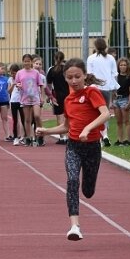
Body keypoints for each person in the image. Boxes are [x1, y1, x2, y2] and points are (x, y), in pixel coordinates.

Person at [36, 58, 110, 241]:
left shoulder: (92, 92)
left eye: (77, 76)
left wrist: (88, 128)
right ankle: (74, 226)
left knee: (88, 191)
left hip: (92, 147)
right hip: (73, 147)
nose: (74, 81)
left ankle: (88, 187)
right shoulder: (68, 100)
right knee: (72, 181)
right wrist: (47, 131)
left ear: (85, 75)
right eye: (70, 77)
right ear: (65, 78)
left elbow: (106, 113)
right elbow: (67, 127)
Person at [86, 38, 119, 146]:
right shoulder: (110, 58)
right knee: (105, 112)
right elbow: (114, 74)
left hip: (95, 88)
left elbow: (89, 75)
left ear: (95, 47)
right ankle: (105, 135)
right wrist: (114, 89)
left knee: (95, 113)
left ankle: (98, 136)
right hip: (107, 88)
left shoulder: (91, 58)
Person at [15, 53, 44, 147]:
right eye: (25, 61)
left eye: (28, 61)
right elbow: (17, 84)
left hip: (35, 98)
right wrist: (18, 86)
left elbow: (41, 85)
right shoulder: (19, 73)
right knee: (27, 119)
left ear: (31, 62)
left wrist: (42, 97)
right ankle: (28, 137)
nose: (27, 63)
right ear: (23, 62)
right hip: (25, 98)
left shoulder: (36, 73)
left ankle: (40, 135)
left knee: (37, 116)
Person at [46, 51, 69, 145]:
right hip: (68, 95)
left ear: (54, 59)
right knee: (67, 116)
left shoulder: (52, 70)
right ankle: (67, 136)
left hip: (57, 95)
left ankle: (62, 137)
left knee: (59, 116)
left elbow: (49, 84)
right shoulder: (67, 69)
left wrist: (49, 96)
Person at [113, 57, 130, 145]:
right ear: (118, 66)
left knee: (127, 121)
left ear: (127, 66)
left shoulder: (129, 77)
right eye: (121, 65)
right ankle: (120, 140)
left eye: (124, 65)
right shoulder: (116, 76)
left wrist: (129, 103)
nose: (123, 66)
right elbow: (113, 89)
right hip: (116, 100)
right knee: (119, 122)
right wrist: (112, 100)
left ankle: (128, 140)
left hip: (125, 99)